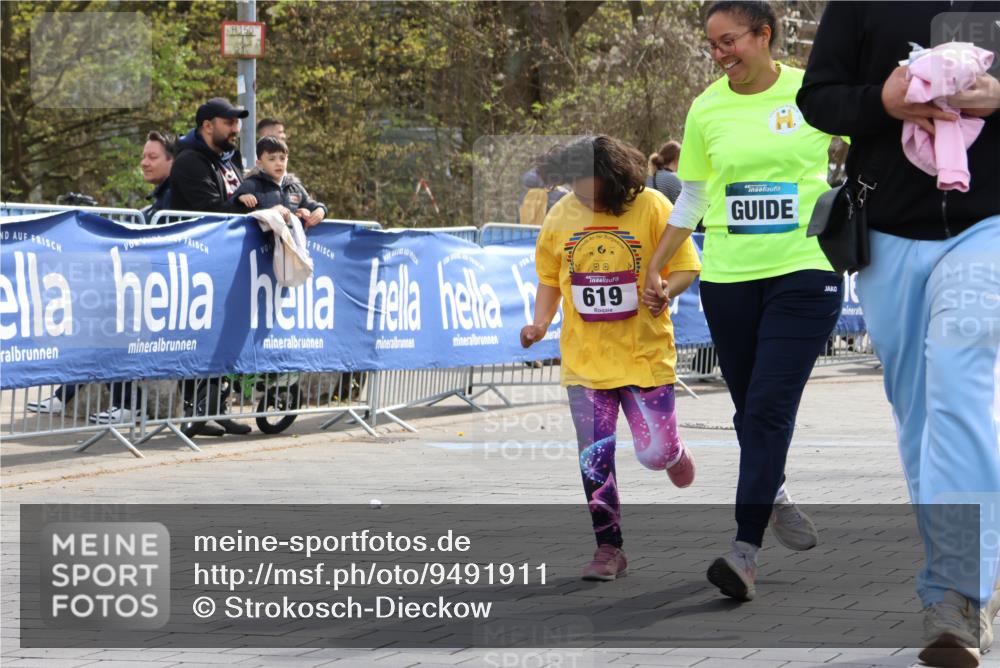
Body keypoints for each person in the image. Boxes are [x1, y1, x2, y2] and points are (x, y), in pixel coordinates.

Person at [797, 2, 1000, 665]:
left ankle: (955, 593)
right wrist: (882, 100)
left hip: (988, 226)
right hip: (885, 232)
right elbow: (818, 99)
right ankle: (974, 564)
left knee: (957, 386)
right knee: (916, 416)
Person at [641, 0, 843, 602]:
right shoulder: (707, 106)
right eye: (712, 44)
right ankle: (772, 487)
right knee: (749, 406)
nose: (719, 53)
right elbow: (695, 197)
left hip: (805, 271)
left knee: (768, 409)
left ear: (765, 36)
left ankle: (743, 550)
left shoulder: (814, 92)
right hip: (730, 278)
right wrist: (657, 261)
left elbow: (879, 142)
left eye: (729, 41)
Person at [520, 135, 702, 581]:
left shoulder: (655, 206)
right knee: (594, 457)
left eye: (593, 190)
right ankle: (609, 548)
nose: (585, 197)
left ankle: (673, 453)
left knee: (653, 453)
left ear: (618, 181)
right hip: (586, 362)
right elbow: (548, 277)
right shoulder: (561, 215)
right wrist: (540, 324)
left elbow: (686, 266)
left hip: (644, 355)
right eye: (578, 189)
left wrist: (665, 292)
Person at [168, 97, 249, 213]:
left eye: (237, 122)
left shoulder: (231, 158)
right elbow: (213, 211)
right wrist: (259, 210)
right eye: (229, 123)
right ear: (208, 126)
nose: (236, 129)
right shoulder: (189, 162)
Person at [231, 136, 327, 228]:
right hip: (260, 243)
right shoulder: (251, 185)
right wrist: (239, 199)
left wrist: (320, 211)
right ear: (259, 164)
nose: (279, 163)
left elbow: (311, 204)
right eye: (272, 159)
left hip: (290, 242)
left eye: (282, 158)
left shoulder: (295, 188)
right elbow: (227, 209)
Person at [140, 131, 176, 224]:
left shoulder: (174, 194)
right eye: (143, 157)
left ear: (173, 160)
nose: (144, 163)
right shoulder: (163, 194)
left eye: (152, 157)